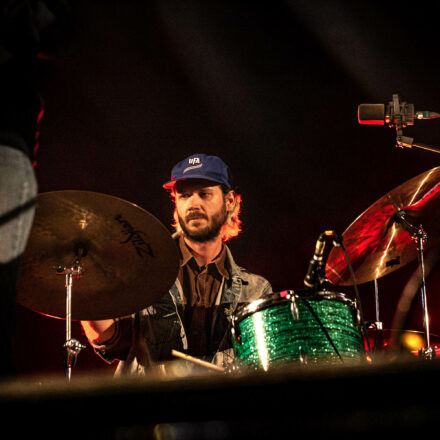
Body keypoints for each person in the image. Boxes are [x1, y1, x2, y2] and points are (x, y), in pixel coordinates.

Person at [81, 153, 272, 375]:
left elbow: (259, 367)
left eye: (204, 194)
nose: (193, 204)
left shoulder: (257, 289)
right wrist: (87, 288)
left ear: (229, 201)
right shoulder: (144, 270)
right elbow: (111, 338)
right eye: (184, 195)